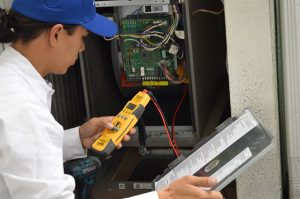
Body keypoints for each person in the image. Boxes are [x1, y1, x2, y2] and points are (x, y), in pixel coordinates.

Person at [0, 0, 223, 199]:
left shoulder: (10, 80)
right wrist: (165, 197)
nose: (82, 48)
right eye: (82, 37)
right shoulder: (22, 107)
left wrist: (77, 139)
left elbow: (19, 153)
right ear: (56, 34)